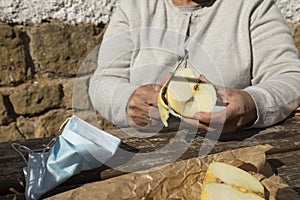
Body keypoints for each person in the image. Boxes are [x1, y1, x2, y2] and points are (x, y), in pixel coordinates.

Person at [89, 0, 300, 133]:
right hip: (143, 156)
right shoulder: (134, 7)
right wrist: (127, 101)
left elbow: (290, 76)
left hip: (231, 150)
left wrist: (250, 104)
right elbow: (103, 82)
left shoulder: (253, 6)